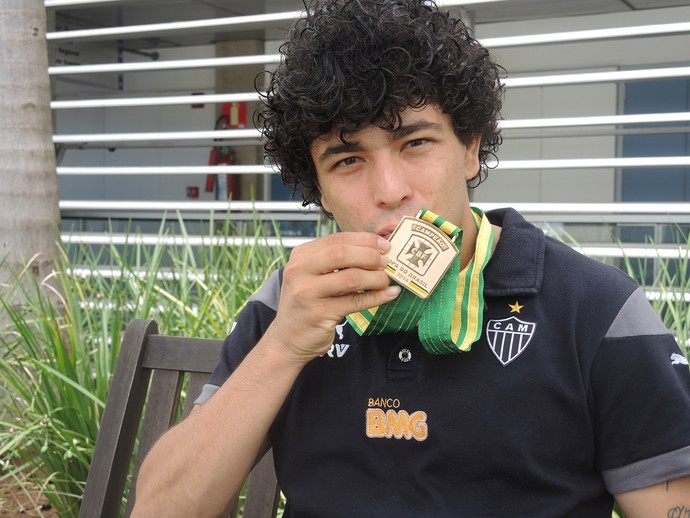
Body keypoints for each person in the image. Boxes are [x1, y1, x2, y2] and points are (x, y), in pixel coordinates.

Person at [132, 0, 690, 516]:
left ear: (470, 148)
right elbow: (160, 508)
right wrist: (283, 346)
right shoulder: (290, 302)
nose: (390, 189)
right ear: (319, 190)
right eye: (348, 160)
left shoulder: (596, 311)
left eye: (415, 143)